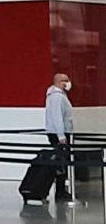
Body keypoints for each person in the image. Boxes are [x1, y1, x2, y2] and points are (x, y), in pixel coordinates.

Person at [44, 72, 74, 202]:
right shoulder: (56, 97)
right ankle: (60, 191)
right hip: (59, 134)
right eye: (64, 80)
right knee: (61, 162)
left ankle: (61, 190)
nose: (67, 83)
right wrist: (61, 135)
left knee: (62, 162)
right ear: (56, 82)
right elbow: (57, 117)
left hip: (59, 133)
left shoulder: (60, 95)